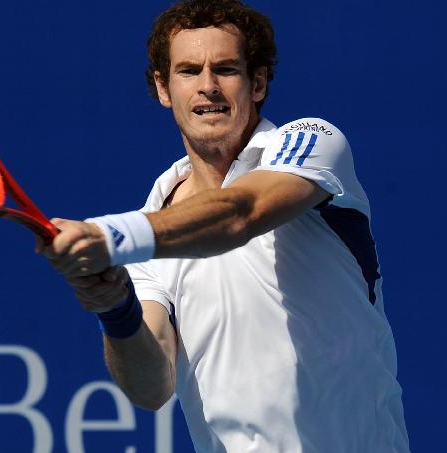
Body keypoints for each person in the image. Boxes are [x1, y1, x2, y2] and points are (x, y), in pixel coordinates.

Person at [38, 0, 410, 451]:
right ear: (163, 87)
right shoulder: (155, 218)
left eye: (227, 69)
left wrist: (113, 237)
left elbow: (241, 213)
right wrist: (114, 307)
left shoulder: (311, 141)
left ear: (258, 83)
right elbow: (152, 388)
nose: (208, 87)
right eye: (189, 71)